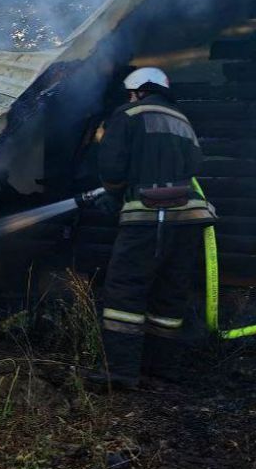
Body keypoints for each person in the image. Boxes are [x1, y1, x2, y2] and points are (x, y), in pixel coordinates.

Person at [91, 66, 215, 389]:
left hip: (148, 217)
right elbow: (195, 166)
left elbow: (112, 164)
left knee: (126, 290)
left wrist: (114, 193)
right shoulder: (182, 120)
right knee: (169, 293)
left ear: (136, 91)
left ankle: (119, 372)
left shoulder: (128, 113)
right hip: (188, 220)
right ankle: (160, 370)